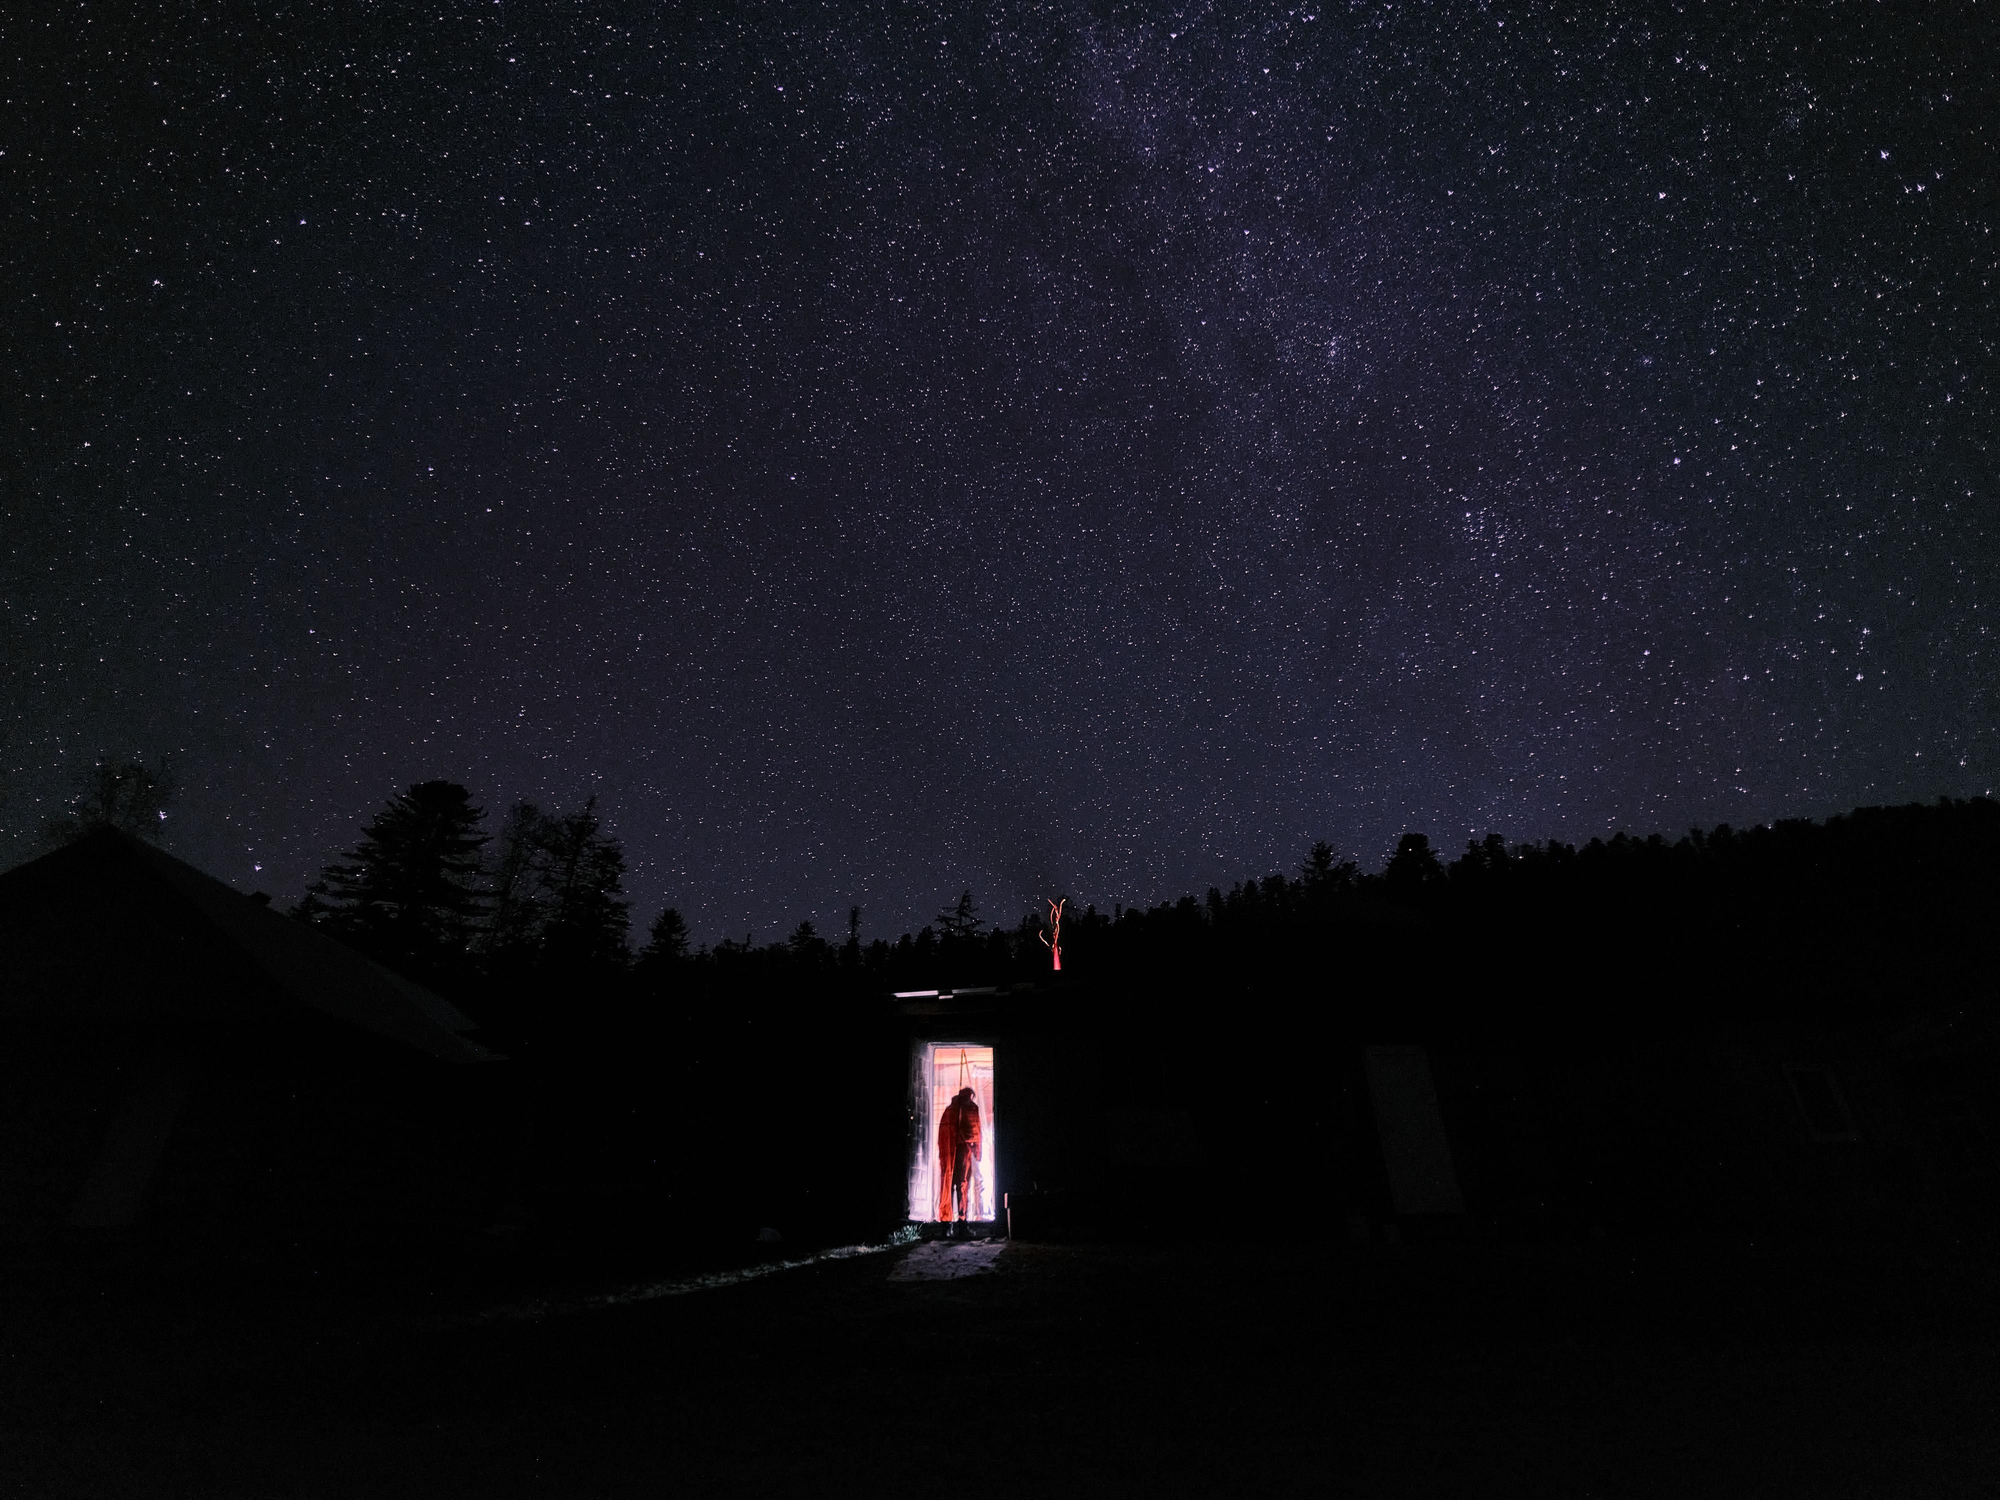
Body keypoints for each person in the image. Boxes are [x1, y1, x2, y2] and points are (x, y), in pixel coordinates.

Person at [936, 1085, 982, 1223]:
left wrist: (975, 1148)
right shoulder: (952, 1111)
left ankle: (962, 1220)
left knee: (961, 1185)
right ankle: (947, 1221)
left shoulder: (970, 1109)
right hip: (952, 1153)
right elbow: (944, 1132)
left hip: (962, 1151)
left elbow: (975, 1130)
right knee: (950, 1184)